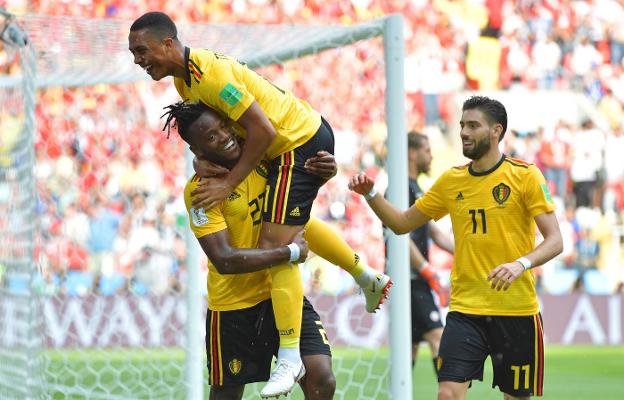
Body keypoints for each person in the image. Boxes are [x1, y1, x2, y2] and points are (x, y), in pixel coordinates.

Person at [129, 13, 392, 396]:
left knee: (278, 246)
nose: (138, 59)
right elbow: (217, 131)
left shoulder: (212, 78)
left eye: (142, 50)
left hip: (294, 144)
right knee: (289, 230)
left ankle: (290, 355)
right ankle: (364, 275)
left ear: (168, 43)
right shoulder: (187, 85)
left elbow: (263, 130)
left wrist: (230, 183)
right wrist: (206, 163)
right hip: (284, 156)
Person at [163, 100, 390, 399]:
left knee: (322, 379)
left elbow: (300, 206)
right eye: (211, 137)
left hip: (279, 293)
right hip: (234, 304)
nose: (224, 136)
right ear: (198, 152)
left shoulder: (263, 154)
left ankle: (363, 272)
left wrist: (325, 170)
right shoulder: (200, 191)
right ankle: (363, 274)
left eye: (222, 126)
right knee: (226, 394)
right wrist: (290, 253)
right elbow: (224, 259)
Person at [349, 96, 563, 400]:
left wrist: (521, 264)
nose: (463, 131)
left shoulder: (525, 175)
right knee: (447, 394)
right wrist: (371, 193)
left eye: (473, 125)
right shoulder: (452, 180)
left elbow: (555, 240)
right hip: (465, 310)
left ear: (495, 131)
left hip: (516, 310)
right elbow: (401, 223)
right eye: (462, 124)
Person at [402, 132, 454, 377]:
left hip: (414, 278)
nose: (431, 155)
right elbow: (400, 238)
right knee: (438, 336)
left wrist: (468, 248)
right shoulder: (401, 188)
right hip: (409, 280)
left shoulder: (416, 188)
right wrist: (427, 270)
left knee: (409, 347)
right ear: (412, 153)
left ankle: (399, 394)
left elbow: (433, 232)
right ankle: (450, 393)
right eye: (426, 150)